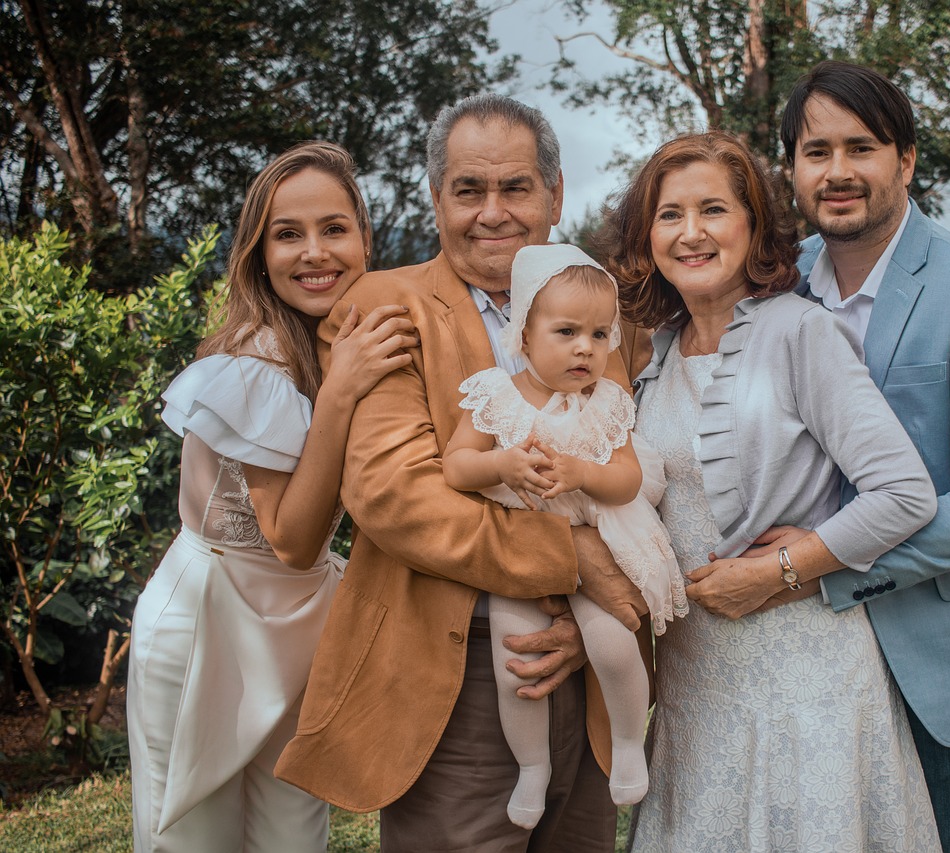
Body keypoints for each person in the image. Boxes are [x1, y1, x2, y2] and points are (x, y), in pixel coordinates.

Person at [275, 95, 650, 853]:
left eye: (515, 188)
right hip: (460, 668)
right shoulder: (385, 306)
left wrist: (600, 615)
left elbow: (641, 468)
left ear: (555, 196)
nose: (492, 212)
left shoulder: (608, 310)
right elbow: (396, 496)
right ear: (436, 198)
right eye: (468, 190)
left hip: (592, 660)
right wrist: (572, 558)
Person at [605, 130, 943, 852]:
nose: (691, 232)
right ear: (646, 235)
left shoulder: (799, 331)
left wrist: (781, 569)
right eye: (669, 214)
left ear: (754, 224)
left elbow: (904, 493)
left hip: (804, 678)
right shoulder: (657, 349)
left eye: (713, 210)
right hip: (696, 679)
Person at [780, 61, 950, 852]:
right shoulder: (777, 283)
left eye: (861, 147)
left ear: (905, 160)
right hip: (812, 651)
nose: (837, 172)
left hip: (948, 645)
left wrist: (820, 563)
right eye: (816, 151)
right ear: (792, 168)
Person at [127, 141, 417, 852]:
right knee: (191, 838)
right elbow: (292, 540)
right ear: (260, 253)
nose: (314, 252)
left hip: (304, 623)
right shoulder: (255, 360)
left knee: (294, 836)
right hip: (209, 622)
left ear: (364, 238)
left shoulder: (346, 342)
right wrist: (341, 393)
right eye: (288, 234)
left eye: (334, 228)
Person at [443, 243, 686, 828]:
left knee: (613, 642)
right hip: (519, 550)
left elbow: (628, 480)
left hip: (598, 538)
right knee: (516, 657)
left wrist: (584, 474)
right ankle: (532, 767)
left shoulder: (608, 403)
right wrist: (501, 465)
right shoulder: (495, 396)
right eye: (567, 332)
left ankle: (627, 743)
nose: (586, 348)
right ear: (524, 336)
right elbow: (455, 466)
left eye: (600, 335)